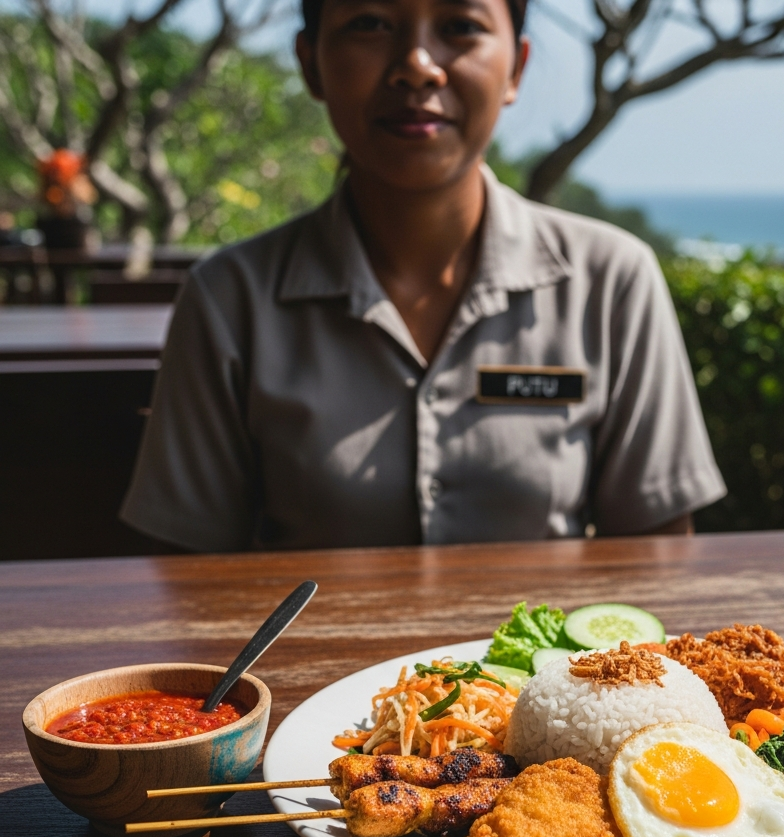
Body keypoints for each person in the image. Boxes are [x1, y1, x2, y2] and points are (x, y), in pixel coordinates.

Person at [120, 0, 725, 552]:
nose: (416, 67)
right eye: (369, 23)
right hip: (312, 676)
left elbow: (656, 562)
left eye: (460, 26)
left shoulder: (612, 282)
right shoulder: (230, 299)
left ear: (515, 66)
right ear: (310, 63)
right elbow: (187, 577)